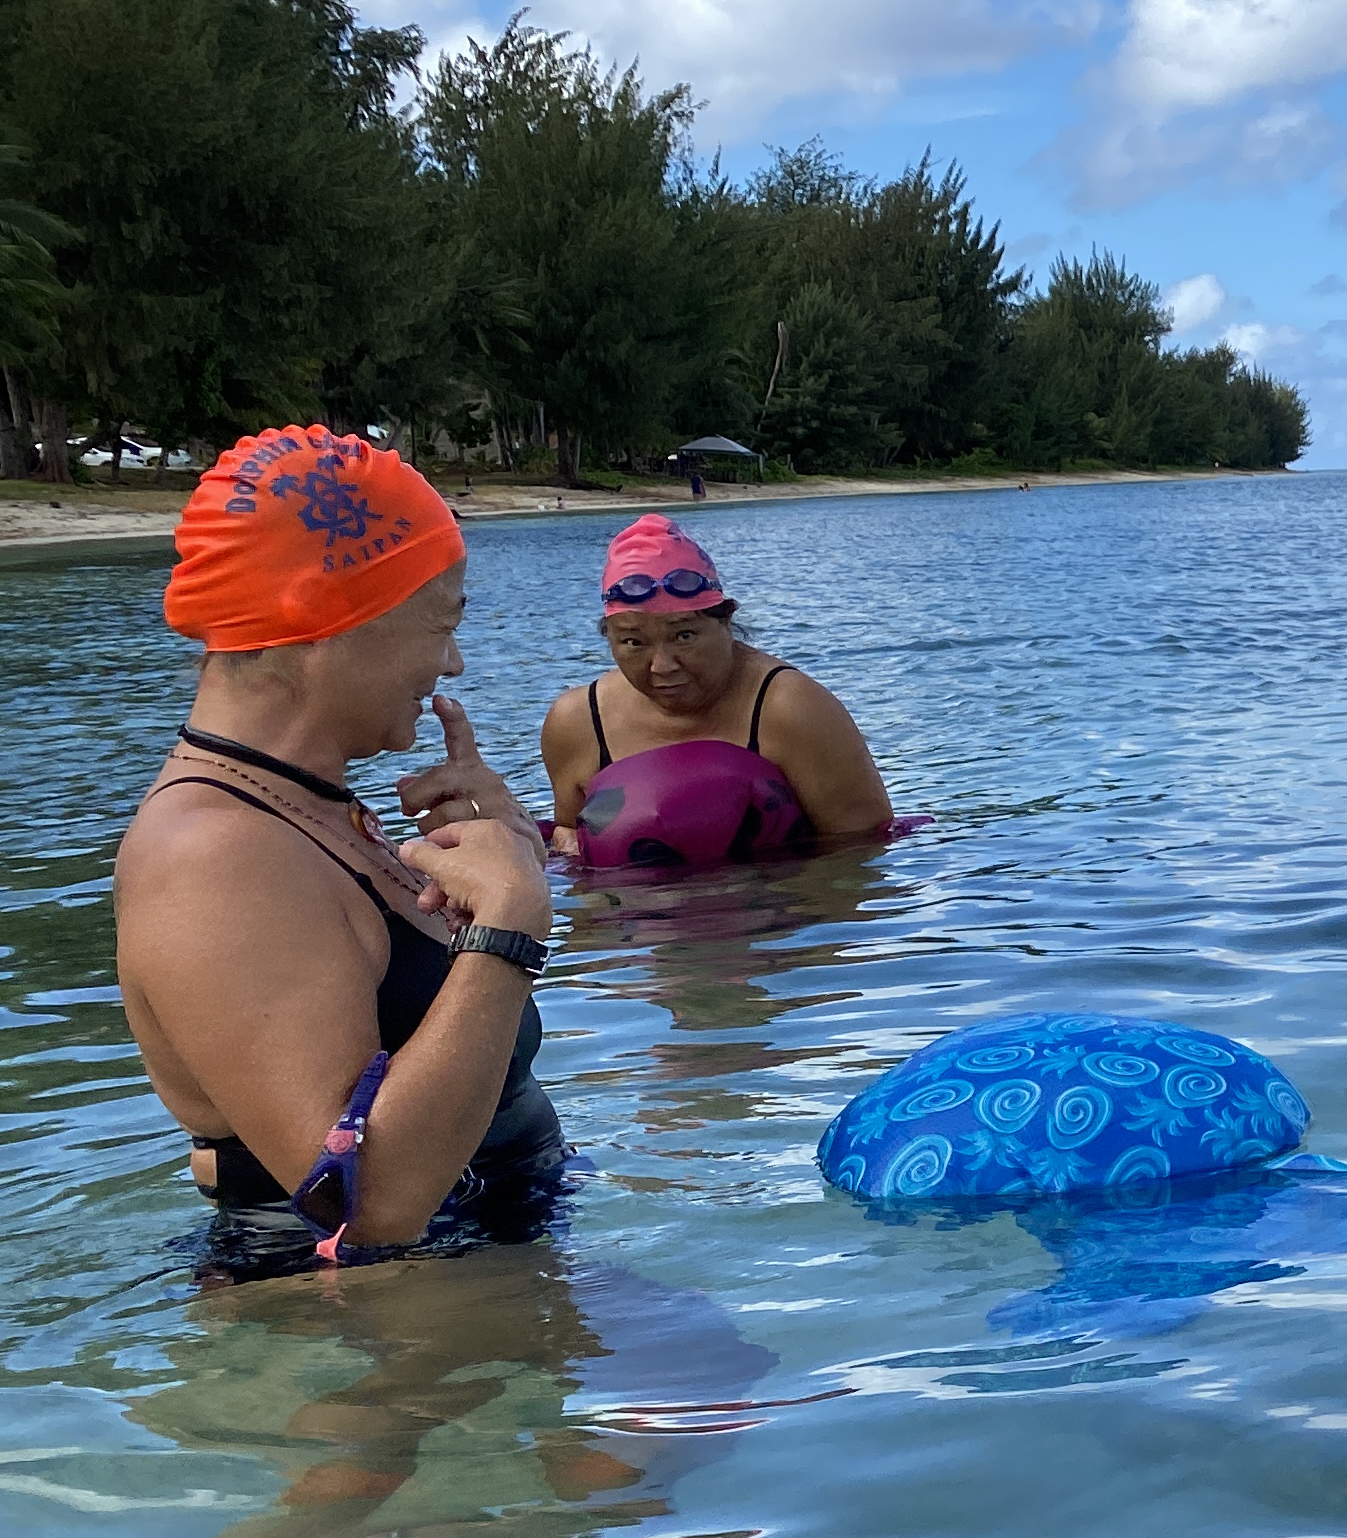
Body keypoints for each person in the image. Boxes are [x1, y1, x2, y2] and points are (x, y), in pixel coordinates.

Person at [115, 428, 567, 1271]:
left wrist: (505, 856)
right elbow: (364, 1209)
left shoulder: (301, 806)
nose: (454, 662)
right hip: (366, 1346)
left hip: (465, 1294)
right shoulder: (214, 857)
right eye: (441, 624)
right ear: (326, 616)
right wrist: (507, 928)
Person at [540, 513, 894, 856]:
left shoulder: (790, 708)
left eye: (684, 635)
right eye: (633, 642)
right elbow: (570, 838)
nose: (661, 666)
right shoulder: (577, 722)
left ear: (726, 623)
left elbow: (862, 854)